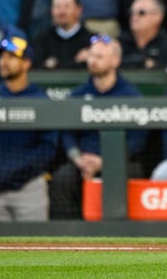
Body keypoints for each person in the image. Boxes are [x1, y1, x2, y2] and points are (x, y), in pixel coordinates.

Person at [49, 34, 148, 220]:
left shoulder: (131, 96)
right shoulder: (77, 95)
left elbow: (137, 141)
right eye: (91, 56)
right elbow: (67, 134)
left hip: (119, 161)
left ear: (115, 61)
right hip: (82, 161)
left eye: (100, 57)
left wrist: (107, 161)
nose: (93, 61)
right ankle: (70, 233)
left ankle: (127, 231)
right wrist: (78, 159)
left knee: (134, 172)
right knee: (62, 177)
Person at [0, 36, 57, 221]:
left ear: (26, 63)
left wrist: (18, 173)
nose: (4, 62)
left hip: (29, 188)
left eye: (11, 57)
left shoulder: (41, 99)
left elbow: (49, 147)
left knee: (35, 248)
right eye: (2, 57)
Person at [32, 0, 93, 70]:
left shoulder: (92, 42)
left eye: (67, 6)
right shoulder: (41, 41)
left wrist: (54, 65)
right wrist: (76, 62)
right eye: (57, 7)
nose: (61, 12)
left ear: (79, 10)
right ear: (51, 10)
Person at [119, 0, 167, 70]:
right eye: (131, 12)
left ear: (158, 16)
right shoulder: (120, 42)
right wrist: (145, 62)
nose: (134, 16)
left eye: (141, 13)